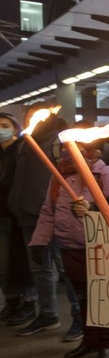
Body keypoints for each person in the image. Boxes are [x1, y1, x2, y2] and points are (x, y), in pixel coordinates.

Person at [31, 135, 109, 358]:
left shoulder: (104, 173)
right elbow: (48, 211)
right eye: (64, 149)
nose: (67, 153)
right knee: (81, 296)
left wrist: (90, 208)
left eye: (74, 148)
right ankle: (90, 341)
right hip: (68, 246)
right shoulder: (58, 177)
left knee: (100, 295)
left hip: (96, 245)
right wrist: (39, 241)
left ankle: (107, 342)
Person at [7, 105, 67, 334]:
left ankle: (82, 323)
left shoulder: (58, 141)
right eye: (30, 116)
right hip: (28, 215)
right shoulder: (26, 142)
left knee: (65, 270)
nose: (34, 119)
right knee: (40, 270)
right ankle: (48, 314)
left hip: (55, 217)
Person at [0, 112, 33, 324]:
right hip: (1, 214)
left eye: (4, 125)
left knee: (20, 260)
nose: (1, 129)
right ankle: (12, 301)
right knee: (3, 262)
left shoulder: (22, 151)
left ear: (14, 128)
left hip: (16, 213)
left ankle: (29, 301)